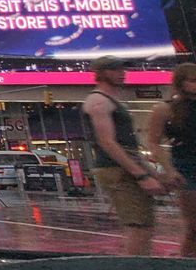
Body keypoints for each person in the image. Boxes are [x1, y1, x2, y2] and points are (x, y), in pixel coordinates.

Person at [82, 56, 166, 255]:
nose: (122, 73)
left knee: (143, 223)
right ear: (101, 73)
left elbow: (127, 146)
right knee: (137, 225)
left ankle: (142, 266)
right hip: (117, 170)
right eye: (115, 69)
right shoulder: (98, 101)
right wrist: (141, 175)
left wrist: (151, 172)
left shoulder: (111, 100)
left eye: (122, 68)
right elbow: (107, 142)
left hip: (124, 167)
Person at [145, 62, 196, 257]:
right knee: (193, 228)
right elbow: (153, 142)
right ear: (181, 82)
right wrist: (169, 170)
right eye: (192, 80)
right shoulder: (166, 109)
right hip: (186, 167)